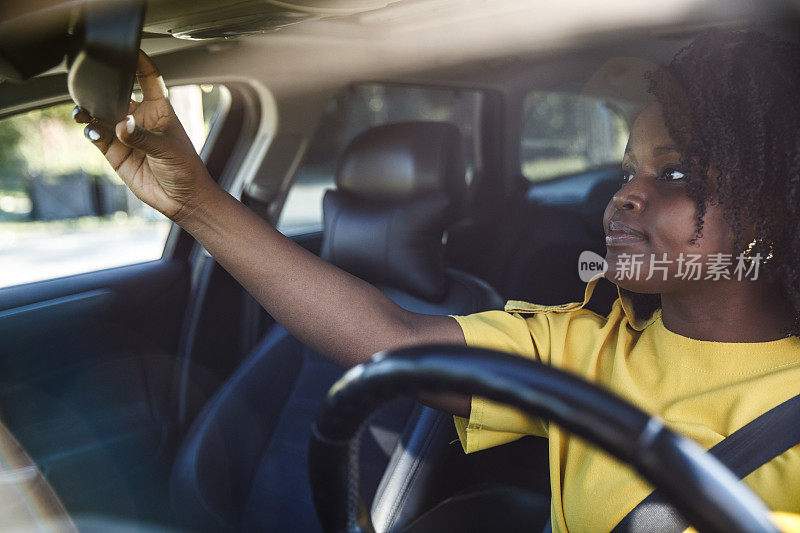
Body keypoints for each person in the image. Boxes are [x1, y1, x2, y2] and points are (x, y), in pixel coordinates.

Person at [74, 28, 800, 532]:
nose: (624, 197)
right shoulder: (585, 346)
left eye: (673, 172)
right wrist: (195, 200)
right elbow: (392, 338)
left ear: (770, 204)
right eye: (624, 170)